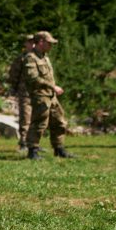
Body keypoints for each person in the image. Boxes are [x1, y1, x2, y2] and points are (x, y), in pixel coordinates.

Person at [24, 31, 74, 160]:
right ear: (41, 42)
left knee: (59, 121)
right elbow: (33, 78)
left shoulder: (45, 57)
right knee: (39, 123)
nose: (51, 46)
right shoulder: (31, 58)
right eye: (49, 43)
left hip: (51, 96)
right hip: (40, 95)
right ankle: (32, 150)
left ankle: (59, 148)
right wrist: (53, 87)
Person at [7, 34, 35, 151]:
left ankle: (34, 143)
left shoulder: (40, 57)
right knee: (26, 117)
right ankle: (23, 142)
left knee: (36, 118)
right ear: (26, 44)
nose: (32, 44)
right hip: (25, 93)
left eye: (34, 42)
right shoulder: (21, 58)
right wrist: (13, 89)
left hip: (38, 93)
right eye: (30, 42)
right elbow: (14, 74)